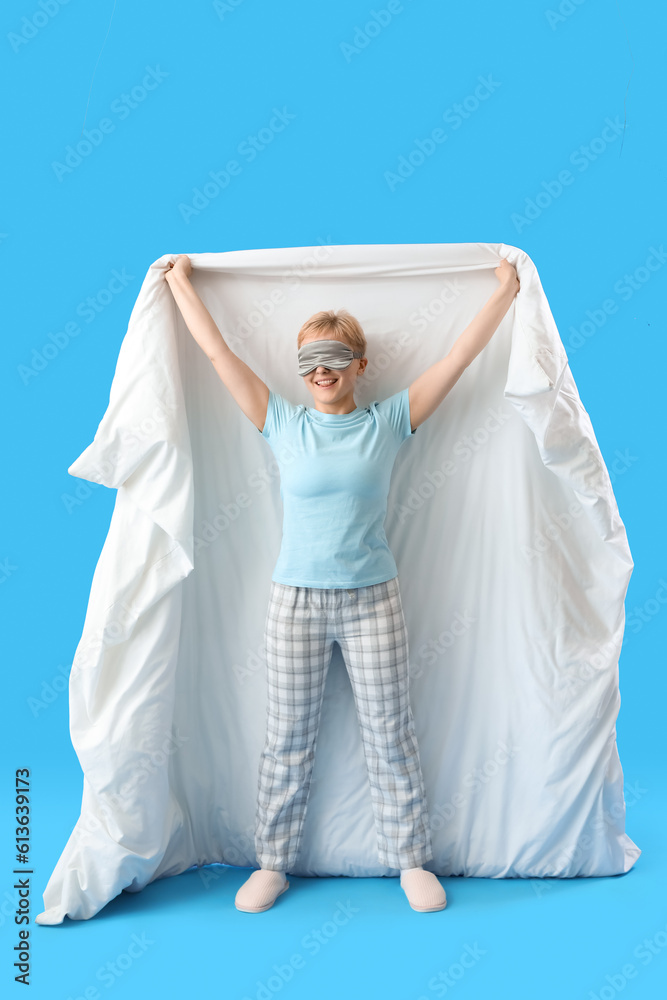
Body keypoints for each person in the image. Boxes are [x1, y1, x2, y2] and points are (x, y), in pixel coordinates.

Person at [164, 252, 520, 914]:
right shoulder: (282, 422)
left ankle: (410, 858)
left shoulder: (388, 422)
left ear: (360, 366)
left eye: (334, 358)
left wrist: (504, 291)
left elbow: (456, 358)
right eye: (308, 360)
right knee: (286, 738)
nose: (320, 370)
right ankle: (274, 862)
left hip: (372, 601)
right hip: (292, 603)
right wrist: (180, 285)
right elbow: (216, 355)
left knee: (390, 730)